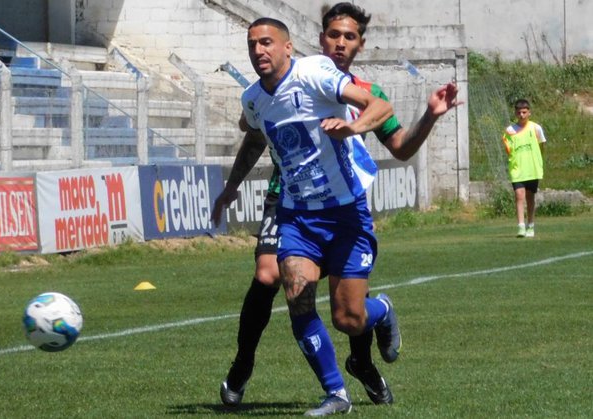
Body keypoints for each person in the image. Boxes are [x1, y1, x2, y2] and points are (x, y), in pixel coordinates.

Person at [213, 4, 461, 415]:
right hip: (291, 201)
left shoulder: (359, 89)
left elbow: (399, 146)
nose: (339, 43)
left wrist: (402, 120)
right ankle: (307, 385)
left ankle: (372, 330)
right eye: (333, 35)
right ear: (320, 37)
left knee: (348, 317)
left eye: (349, 37)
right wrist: (232, 187)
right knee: (278, 280)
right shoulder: (273, 87)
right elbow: (254, 132)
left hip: (345, 204)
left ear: (360, 45)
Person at [501, 98, 546, 238]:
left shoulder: (536, 128)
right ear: (515, 113)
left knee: (530, 197)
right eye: (519, 112)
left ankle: (531, 225)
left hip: (532, 169)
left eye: (524, 112)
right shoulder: (509, 131)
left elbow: (541, 146)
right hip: (517, 169)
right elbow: (508, 149)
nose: (522, 115)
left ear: (529, 113)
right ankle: (521, 226)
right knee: (519, 195)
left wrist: (536, 160)